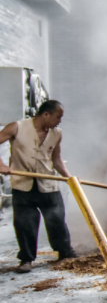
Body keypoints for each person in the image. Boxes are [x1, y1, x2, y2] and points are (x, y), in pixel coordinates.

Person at [0, 100, 77, 273]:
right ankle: (26, 259)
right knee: (25, 223)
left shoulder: (57, 133)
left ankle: (65, 252)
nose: (60, 121)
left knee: (57, 219)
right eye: (58, 116)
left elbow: (56, 159)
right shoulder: (17, 127)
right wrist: (2, 165)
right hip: (22, 185)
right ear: (46, 114)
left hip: (48, 184)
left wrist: (69, 177)